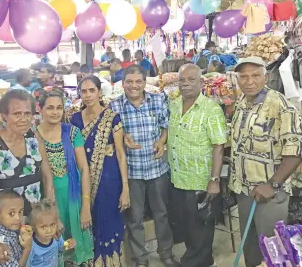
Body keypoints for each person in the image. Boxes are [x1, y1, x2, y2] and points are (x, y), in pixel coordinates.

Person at [230, 56, 302, 267]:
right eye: (243, 76)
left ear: (266, 77)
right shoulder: (242, 103)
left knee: (274, 252)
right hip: (244, 190)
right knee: (251, 249)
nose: (249, 81)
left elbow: (295, 151)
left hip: (270, 194)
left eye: (255, 75)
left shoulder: (281, 106)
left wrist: (272, 185)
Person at [110, 65, 179, 267]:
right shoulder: (115, 107)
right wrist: (124, 137)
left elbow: (166, 126)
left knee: (162, 214)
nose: (134, 86)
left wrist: (162, 141)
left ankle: (166, 253)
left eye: (138, 81)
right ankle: (140, 258)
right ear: (122, 84)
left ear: (144, 83)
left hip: (157, 168)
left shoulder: (157, 100)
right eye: (129, 82)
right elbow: (113, 137)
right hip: (131, 172)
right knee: (135, 218)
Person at [0, 89, 55, 264]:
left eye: (28, 113)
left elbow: (48, 179)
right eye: (17, 114)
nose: (24, 119)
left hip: (36, 224)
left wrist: (51, 216)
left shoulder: (35, 140)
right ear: (4, 116)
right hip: (8, 230)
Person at [168, 64, 227, 267]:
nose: (185, 84)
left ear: (201, 83)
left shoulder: (211, 109)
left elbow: (219, 146)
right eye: (182, 80)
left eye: (191, 80)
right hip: (178, 178)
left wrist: (214, 180)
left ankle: (195, 261)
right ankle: (202, 258)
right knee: (187, 225)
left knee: (201, 226)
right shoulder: (174, 104)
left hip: (200, 181)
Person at [70, 75, 130, 266]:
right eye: (84, 91)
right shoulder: (74, 120)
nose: (87, 95)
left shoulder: (112, 118)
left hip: (110, 180)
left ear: (99, 92)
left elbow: (120, 154)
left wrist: (125, 189)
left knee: (109, 222)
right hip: (83, 181)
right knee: (89, 223)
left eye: (91, 90)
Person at [36, 89, 94, 266]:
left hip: (74, 200)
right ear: (40, 109)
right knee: (54, 249)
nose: (55, 112)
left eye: (59, 108)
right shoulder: (34, 135)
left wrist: (85, 206)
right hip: (49, 201)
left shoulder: (72, 132)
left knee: (78, 253)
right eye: (50, 108)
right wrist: (52, 214)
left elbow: (84, 168)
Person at [0, 190, 32, 267]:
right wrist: (28, 248)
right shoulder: (3, 241)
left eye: (20, 211)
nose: (18, 218)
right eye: (12, 213)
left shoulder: (13, 229)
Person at [26, 199, 76, 267]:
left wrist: (70, 244)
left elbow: (62, 246)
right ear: (34, 228)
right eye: (43, 227)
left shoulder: (56, 237)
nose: (49, 231)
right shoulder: (31, 246)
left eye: (52, 225)